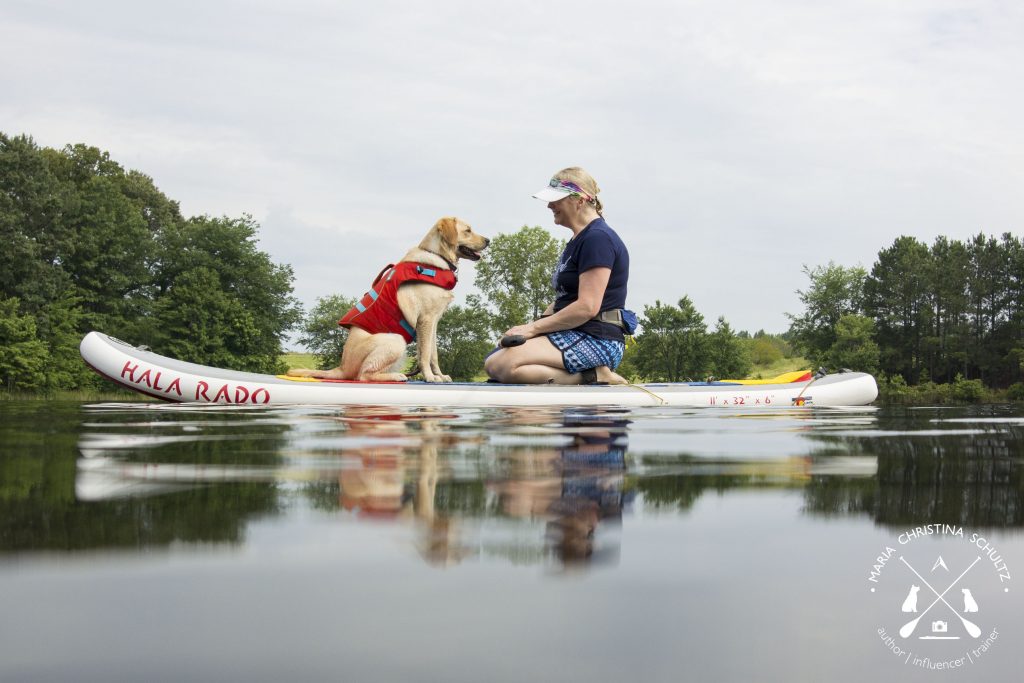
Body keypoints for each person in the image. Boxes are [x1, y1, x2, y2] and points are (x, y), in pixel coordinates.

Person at [484, 167, 630, 385]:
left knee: (501, 365)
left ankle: (595, 375)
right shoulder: (578, 240)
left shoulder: (598, 239)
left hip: (598, 339)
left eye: (556, 199)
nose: (550, 205)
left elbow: (587, 307)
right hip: (574, 333)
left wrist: (532, 330)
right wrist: (530, 330)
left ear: (579, 200)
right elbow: (563, 300)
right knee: (494, 358)